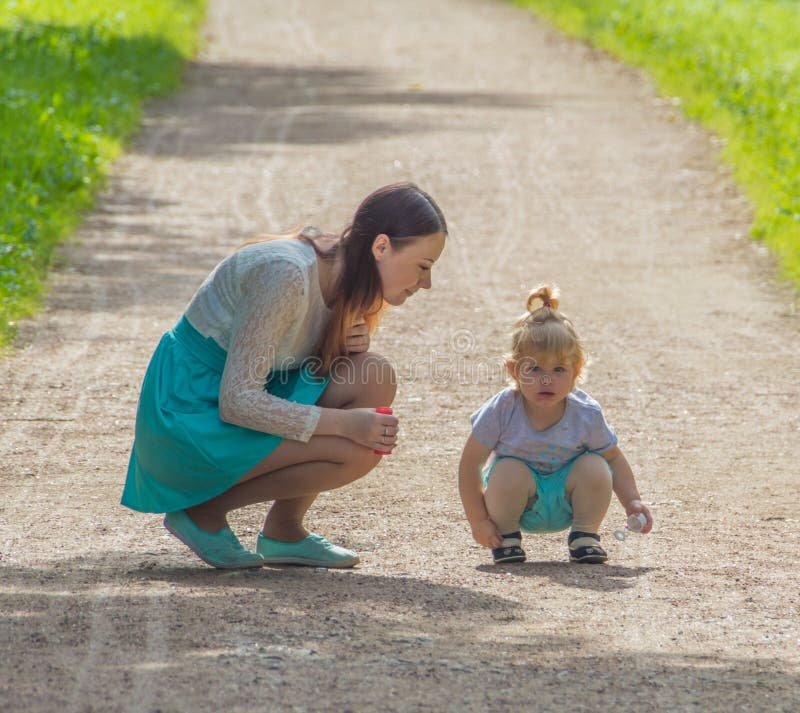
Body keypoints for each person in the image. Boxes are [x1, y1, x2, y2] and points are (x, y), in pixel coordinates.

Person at [122, 183, 447, 569]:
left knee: (373, 374)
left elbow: (282, 353)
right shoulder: (287, 274)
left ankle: (284, 531)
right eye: (423, 267)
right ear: (381, 247)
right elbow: (238, 401)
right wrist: (343, 423)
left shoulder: (342, 269)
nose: (426, 284)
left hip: (232, 398)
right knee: (354, 449)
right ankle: (203, 514)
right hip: (188, 414)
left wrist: (338, 340)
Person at [458, 285, 652, 564]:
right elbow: (470, 465)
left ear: (576, 372)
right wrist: (479, 522)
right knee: (508, 469)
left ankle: (584, 536)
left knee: (597, 466)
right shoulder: (503, 409)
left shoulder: (585, 413)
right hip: (516, 502)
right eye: (534, 368)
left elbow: (614, 457)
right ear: (514, 369)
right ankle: (507, 539)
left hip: (567, 500)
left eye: (558, 370)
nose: (546, 380)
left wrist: (632, 500)